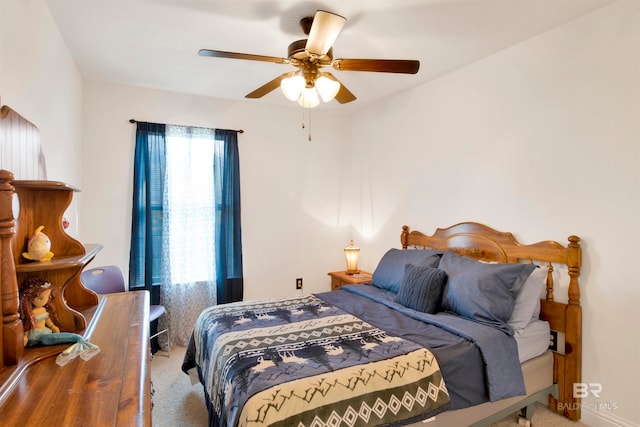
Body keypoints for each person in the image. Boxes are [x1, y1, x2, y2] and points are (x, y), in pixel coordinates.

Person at [19, 277, 100, 365]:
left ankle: (76, 338)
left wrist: (52, 326)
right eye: (41, 298)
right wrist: (25, 336)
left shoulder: (43, 310)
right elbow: (27, 325)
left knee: (47, 338)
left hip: (44, 332)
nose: (45, 301)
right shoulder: (30, 313)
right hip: (34, 336)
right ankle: (75, 338)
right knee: (46, 339)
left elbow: (47, 320)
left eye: (48, 297)